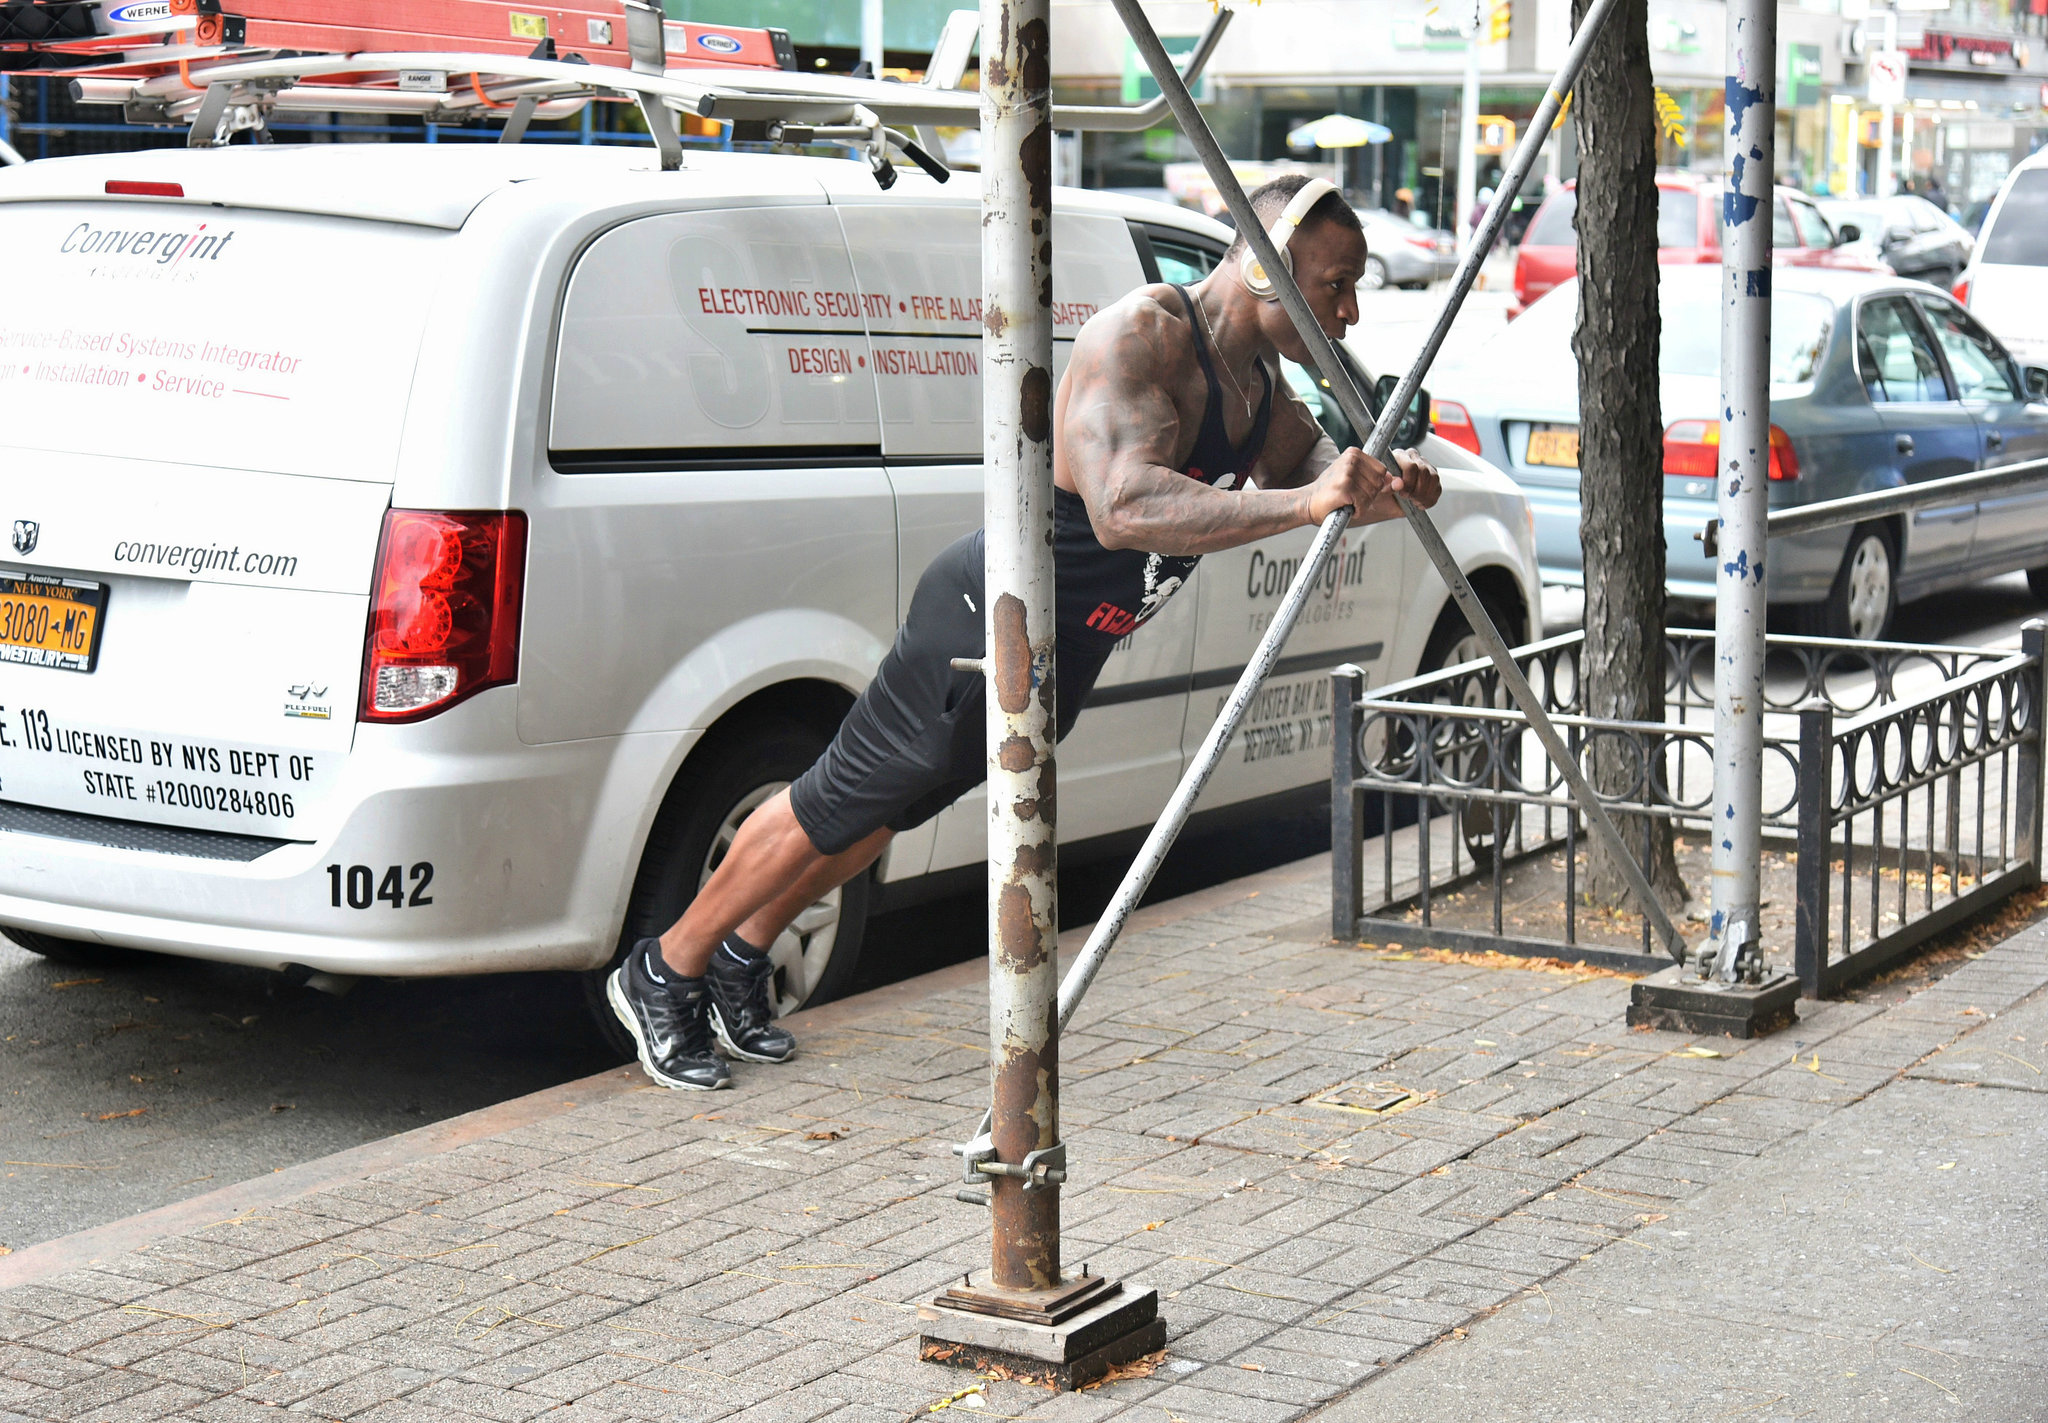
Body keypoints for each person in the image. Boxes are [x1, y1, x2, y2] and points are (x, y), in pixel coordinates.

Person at [606, 175, 1443, 1090]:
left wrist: (1381, 486)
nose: (1352, 310)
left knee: (886, 813)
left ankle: (741, 955)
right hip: (986, 619)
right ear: (1265, 271)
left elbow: (1317, 471)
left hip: (1065, 644)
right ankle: (665, 966)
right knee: (833, 798)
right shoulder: (1146, 337)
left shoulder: (1255, 382)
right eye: (1335, 283)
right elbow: (1125, 504)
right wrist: (1304, 503)